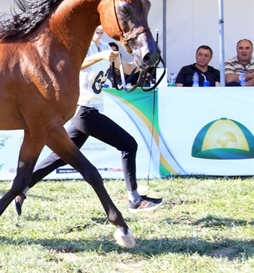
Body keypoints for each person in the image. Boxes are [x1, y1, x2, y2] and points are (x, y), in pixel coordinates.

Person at [13, 26, 163, 215]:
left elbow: (126, 68)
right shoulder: (83, 49)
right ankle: (134, 199)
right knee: (128, 145)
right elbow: (73, 66)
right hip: (84, 111)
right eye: (95, 25)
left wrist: (144, 58)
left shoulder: (107, 49)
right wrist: (102, 57)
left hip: (88, 111)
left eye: (101, 25)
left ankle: (20, 190)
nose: (99, 28)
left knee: (59, 157)